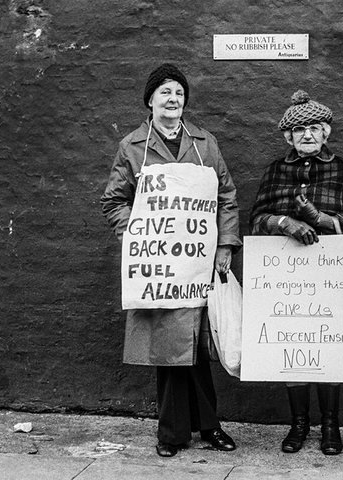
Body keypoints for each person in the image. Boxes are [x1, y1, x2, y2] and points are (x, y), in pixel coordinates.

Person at [101, 63, 241, 458]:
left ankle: (210, 427)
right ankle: (172, 433)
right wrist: (138, 232)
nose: (173, 99)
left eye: (179, 93)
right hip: (162, 267)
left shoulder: (204, 142)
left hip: (197, 263)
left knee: (196, 349)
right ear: (150, 100)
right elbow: (113, 201)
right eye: (165, 92)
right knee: (168, 351)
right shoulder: (132, 146)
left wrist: (225, 245)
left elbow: (225, 195)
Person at [250, 90, 343, 455]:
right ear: (289, 137)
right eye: (300, 130)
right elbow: (257, 220)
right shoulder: (275, 171)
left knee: (328, 350)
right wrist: (284, 222)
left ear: (327, 132)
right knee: (293, 348)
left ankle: (331, 426)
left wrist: (320, 219)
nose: (308, 135)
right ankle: (299, 425)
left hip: (330, 277)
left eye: (315, 128)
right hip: (287, 280)